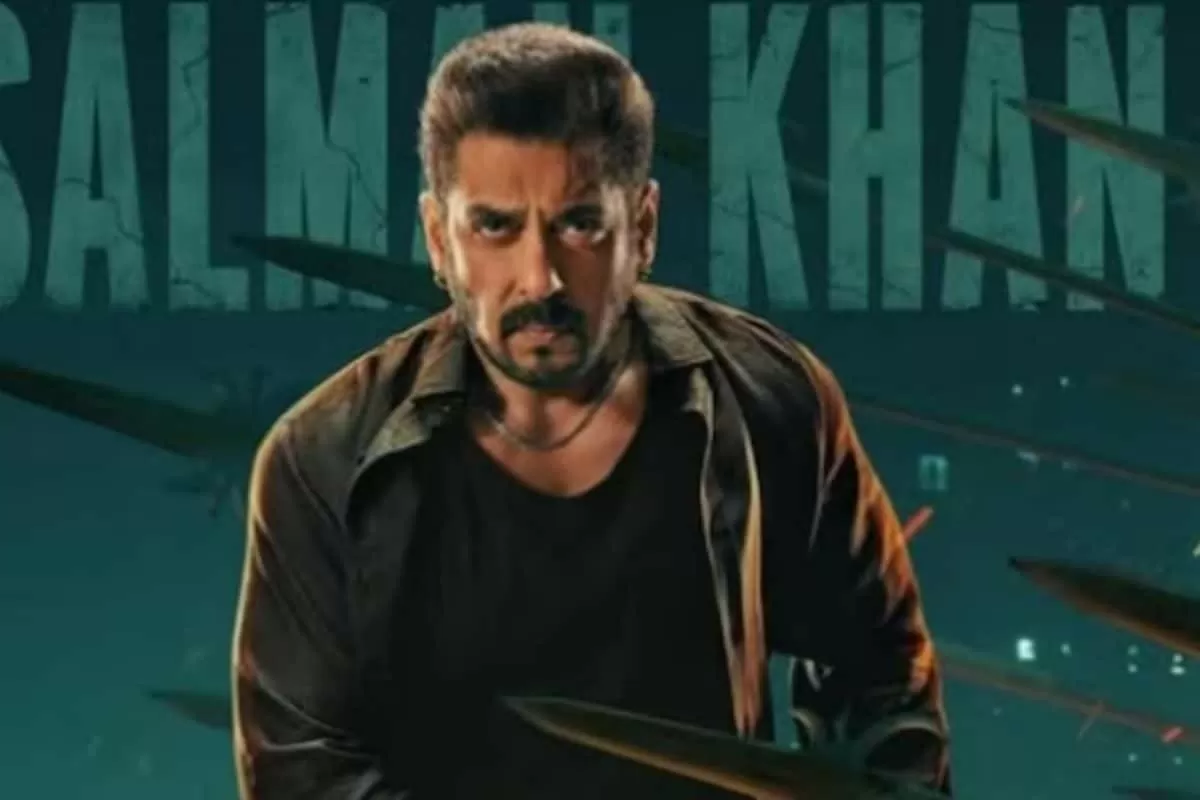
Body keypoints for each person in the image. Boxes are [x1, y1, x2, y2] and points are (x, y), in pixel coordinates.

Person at [231, 21, 952, 799]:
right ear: (439, 239)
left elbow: (882, 686)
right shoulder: (324, 458)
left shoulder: (769, 397)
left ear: (641, 227)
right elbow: (303, 773)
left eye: (579, 224)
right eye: (495, 226)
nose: (538, 277)